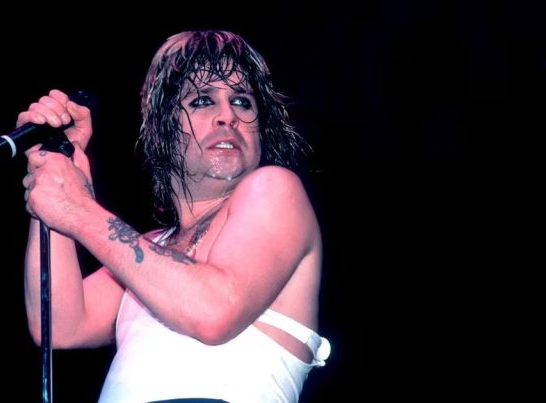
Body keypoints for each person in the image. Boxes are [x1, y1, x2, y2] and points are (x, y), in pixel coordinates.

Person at [19, 30, 331, 403]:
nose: (228, 116)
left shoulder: (275, 189)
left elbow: (214, 311)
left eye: (242, 101)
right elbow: (59, 324)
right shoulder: (151, 248)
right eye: (202, 100)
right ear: (163, 127)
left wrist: (79, 209)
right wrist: (57, 166)